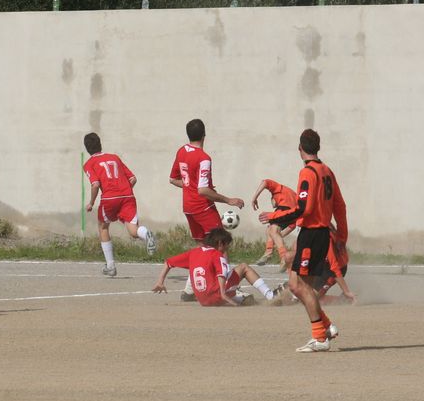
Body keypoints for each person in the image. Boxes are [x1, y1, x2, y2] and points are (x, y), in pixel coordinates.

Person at [262, 129, 347, 352]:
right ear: (317, 147)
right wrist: (342, 235)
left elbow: (303, 208)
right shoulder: (327, 170)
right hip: (319, 233)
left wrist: (274, 216)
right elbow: (340, 205)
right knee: (296, 285)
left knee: (301, 287)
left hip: (312, 234)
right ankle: (326, 326)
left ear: (300, 148)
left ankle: (320, 337)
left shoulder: (308, 173)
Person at [169, 118, 245, 300]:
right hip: (202, 207)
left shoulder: (181, 151)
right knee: (221, 246)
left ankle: (189, 290)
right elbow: (203, 190)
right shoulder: (204, 158)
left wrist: (191, 186)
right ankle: (228, 288)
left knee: (201, 248)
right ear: (204, 135)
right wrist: (228, 200)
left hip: (188, 207)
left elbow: (173, 179)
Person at [82, 132, 157, 277]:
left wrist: (91, 203)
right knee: (133, 231)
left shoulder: (89, 164)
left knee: (103, 227)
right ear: (100, 144)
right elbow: (133, 179)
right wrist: (124, 191)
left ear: (87, 148)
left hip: (110, 198)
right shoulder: (114, 157)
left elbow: (95, 184)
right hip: (128, 195)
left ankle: (110, 266)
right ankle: (146, 234)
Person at [151, 228, 285, 307]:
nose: (227, 249)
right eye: (226, 245)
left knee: (240, 294)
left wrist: (160, 282)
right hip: (216, 296)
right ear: (220, 243)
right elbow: (222, 274)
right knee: (244, 267)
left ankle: (239, 298)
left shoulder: (193, 253)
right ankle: (270, 295)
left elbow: (168, 263)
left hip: (202, 300)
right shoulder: (217, 254)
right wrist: (223, 294)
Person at [250, 178, 297, 269]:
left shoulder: (278, 190)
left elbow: (265, 182)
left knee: (273, 229)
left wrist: (254, 198)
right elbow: (290, 227)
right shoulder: (292, 196)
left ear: (273, 198)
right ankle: (268, 252)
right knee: (270, 230)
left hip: (285, 209)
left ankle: (283, 257)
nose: (273, 205)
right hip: (293, 214)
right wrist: (276, 239)